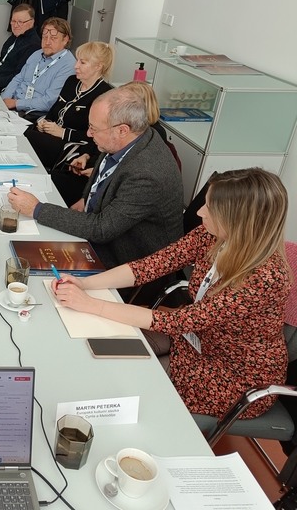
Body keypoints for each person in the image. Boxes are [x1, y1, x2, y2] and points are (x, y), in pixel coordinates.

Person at [53, 168, 290, 419]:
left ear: (238, 221)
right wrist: (86, 284)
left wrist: (90, 304)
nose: (200, 212)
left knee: (129, 378)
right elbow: (152, 265)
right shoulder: (214, 235)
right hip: (194, 338)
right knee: (105, 344)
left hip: (234, 375)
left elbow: (177, 322)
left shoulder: (266, 277)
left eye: (210, 208)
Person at [7, 86, 183, 270]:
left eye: (93, 128)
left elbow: (101, 229)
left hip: (127, 261)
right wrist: (86, 199)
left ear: (122, 130)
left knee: (22, 260)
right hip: (103, 232)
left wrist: (36, 209)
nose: (89, 134)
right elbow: (106, 170)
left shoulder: (146, 175)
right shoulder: (128, 139)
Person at [52, 80, 178, 206]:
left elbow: (123, 171)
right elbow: (99, 148)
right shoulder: (115, 132)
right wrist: (86, 156)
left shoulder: (148, 138)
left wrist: (97, 174)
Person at [26, 41, 114, 171]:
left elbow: (97, 136)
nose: (76, 66)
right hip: (49, 136)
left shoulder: (104, 94)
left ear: (98, 66)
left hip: (72, 146)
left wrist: (64, 133)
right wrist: (44, 122)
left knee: (26, 137)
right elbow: (54, 110)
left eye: (82, 63)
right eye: (77, 61)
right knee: (23, 131)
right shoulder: (71, 81)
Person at [2, 17, 76, 116]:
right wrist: (4, 99)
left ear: (65, 40)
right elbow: (18, 79)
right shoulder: (37, 54)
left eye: (53, 38)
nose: (47, 42)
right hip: (12, 104)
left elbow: (49, 102)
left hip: (31, 112)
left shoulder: (69, 65)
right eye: (44, 37)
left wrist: (16, 103)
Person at [0, 4, 41, 91]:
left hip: (2, 88)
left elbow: (18, 77)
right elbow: (2, 59)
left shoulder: (33, 46)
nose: (15, 25)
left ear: (32, 22)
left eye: (20, 22)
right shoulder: (15, 36)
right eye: (13, 21)